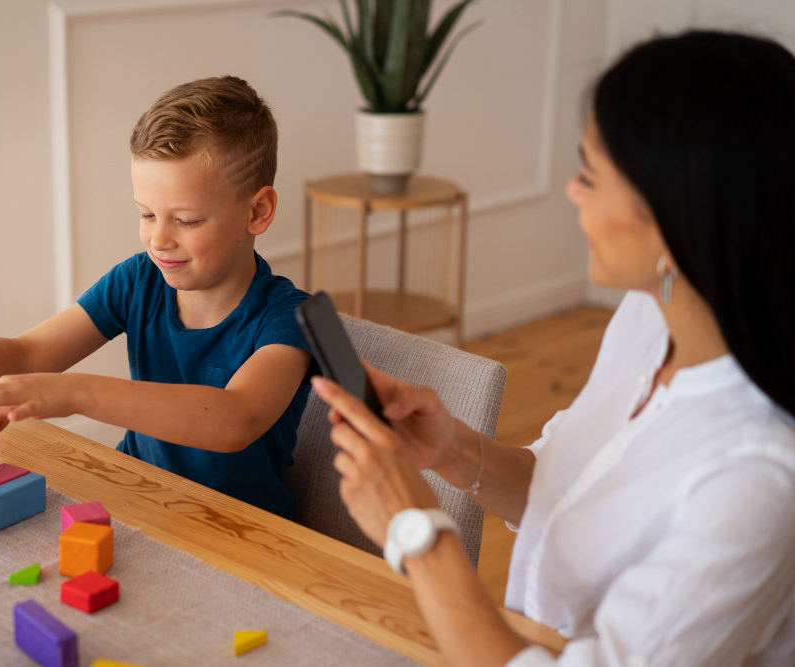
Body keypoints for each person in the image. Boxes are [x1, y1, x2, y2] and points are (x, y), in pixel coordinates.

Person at [311, 30, 795, 666]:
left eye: (591, 176)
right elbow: (568, 489)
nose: (570, 190)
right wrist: (451, 448)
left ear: (679, 217)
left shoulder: (758, 480)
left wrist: (417, 531)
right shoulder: (649, 317)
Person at [0, 76, 314, 519]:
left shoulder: (292, 317)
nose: (157, 239)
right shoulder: (138, 280)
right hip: (141, 499)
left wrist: (77, 393)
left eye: (186, 220)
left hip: (246, 530)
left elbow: (235, 419)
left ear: (257, 212)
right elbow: (28, 355)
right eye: (146, 214)